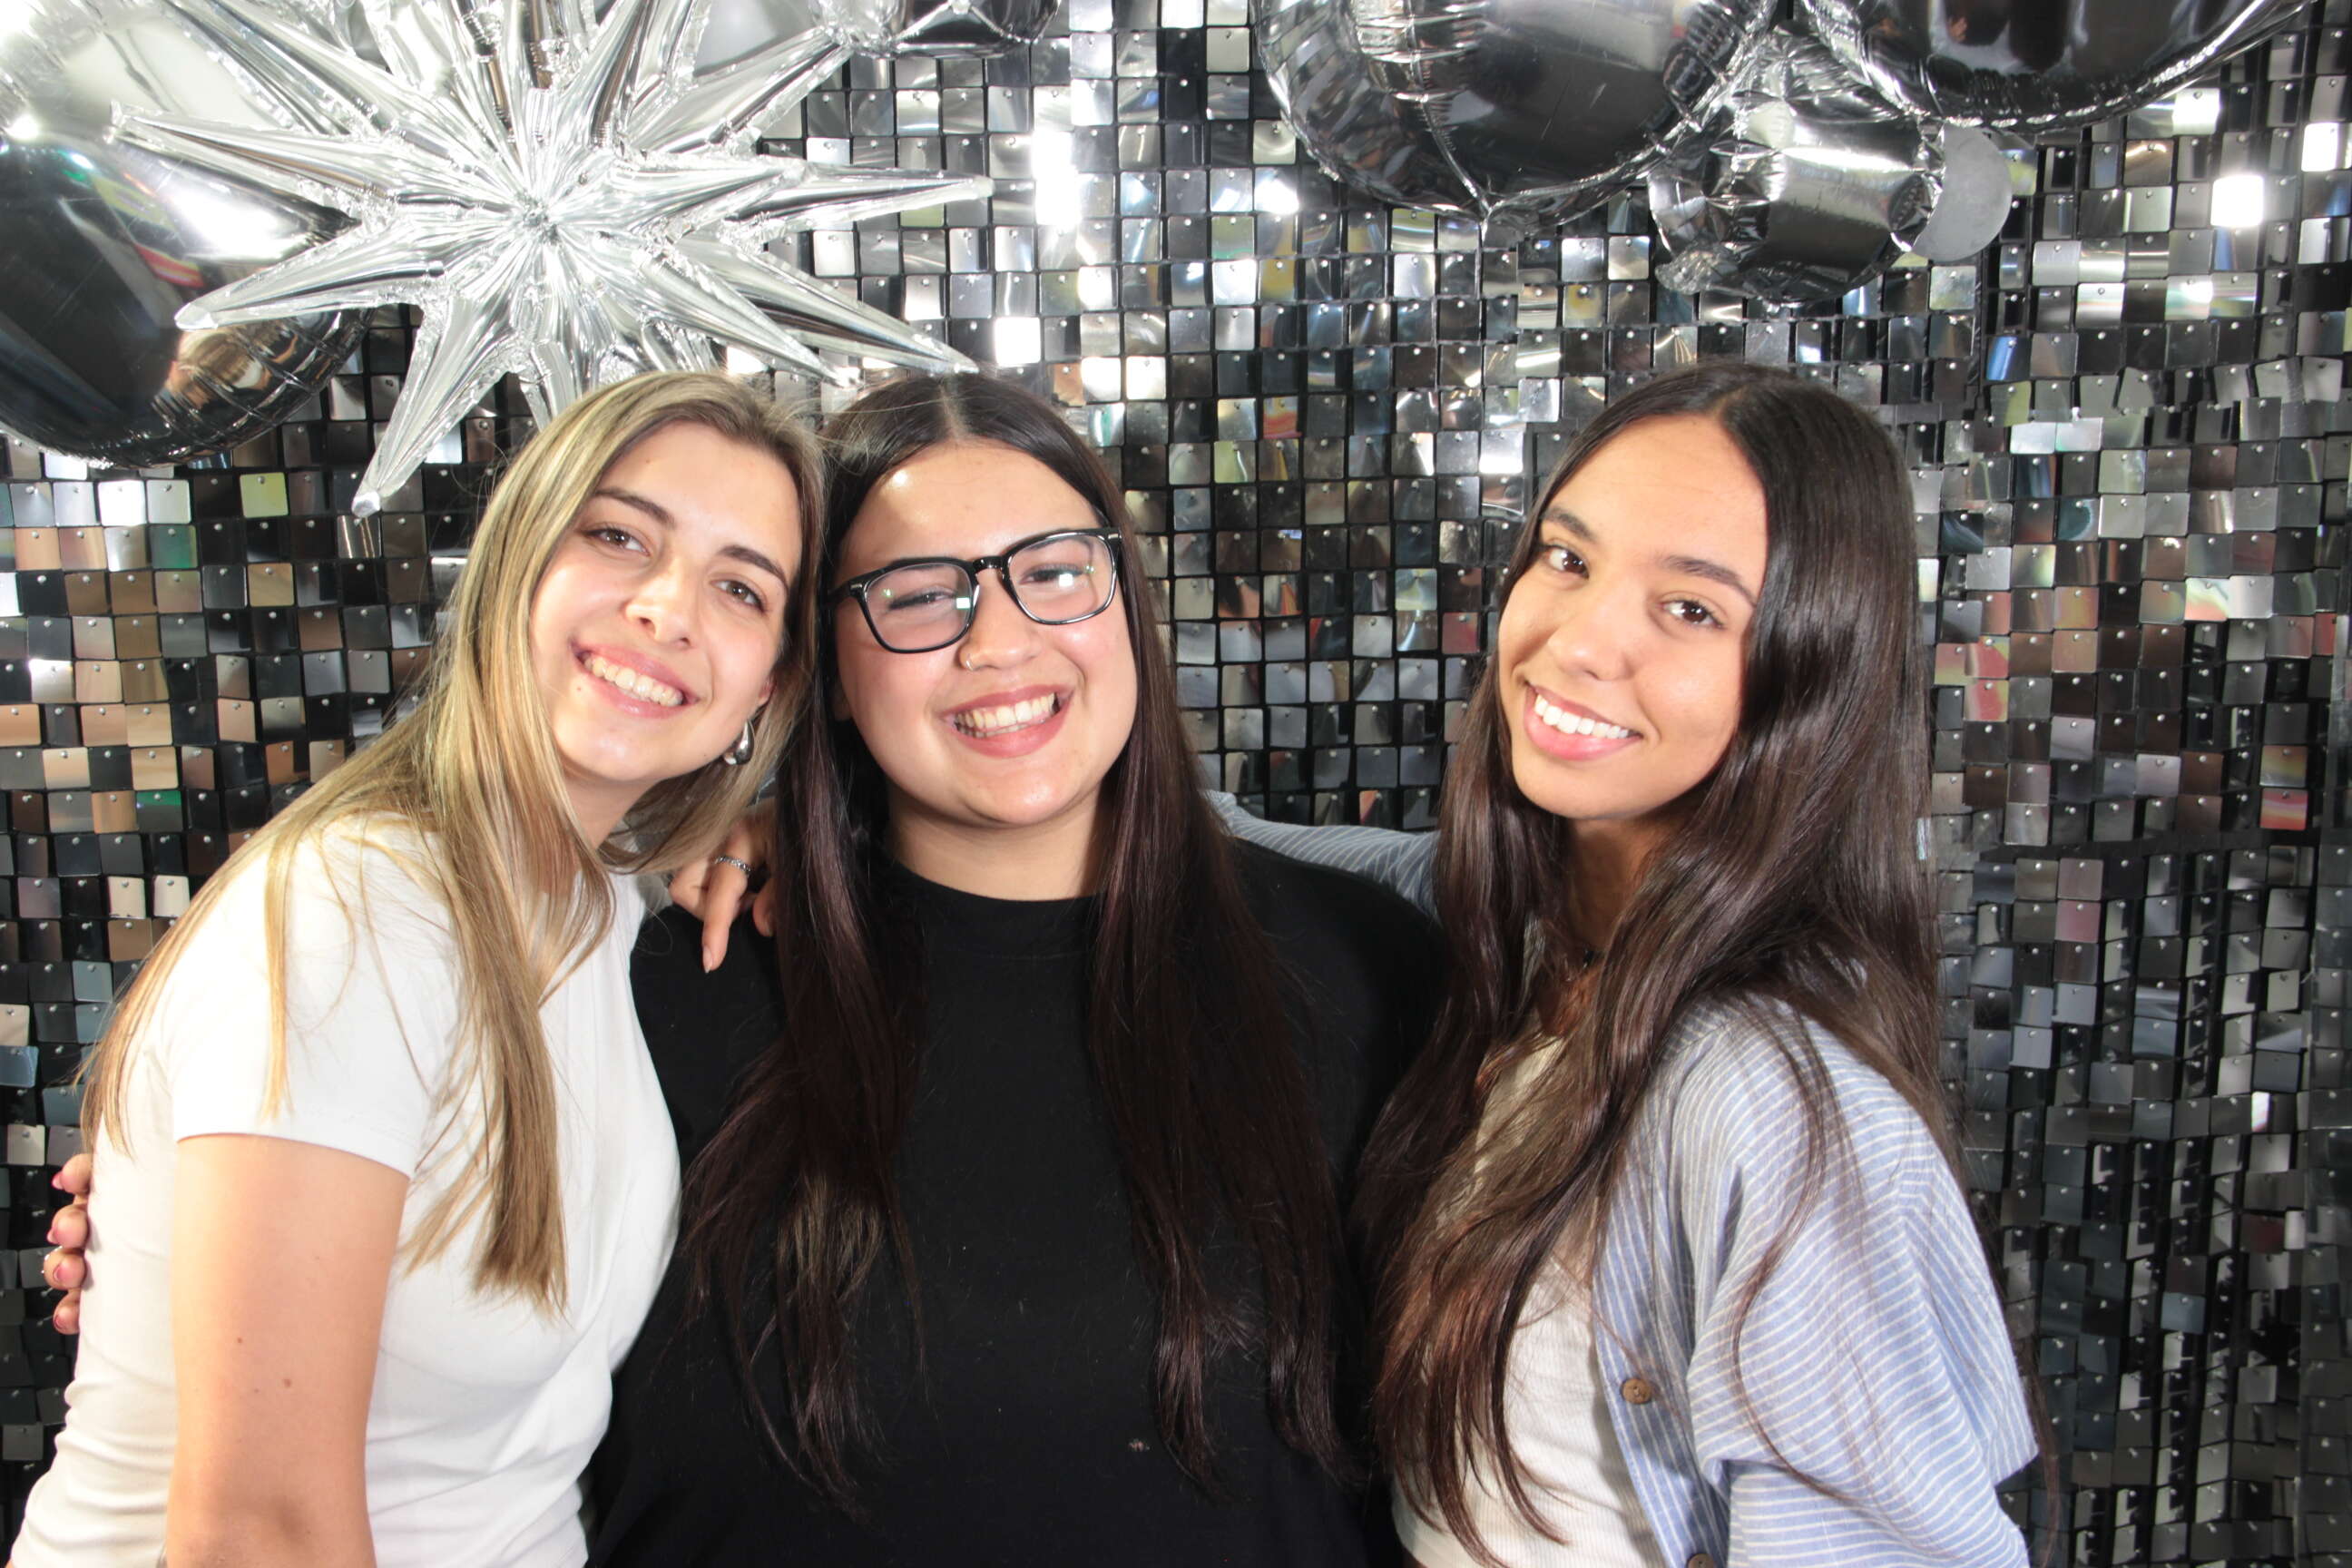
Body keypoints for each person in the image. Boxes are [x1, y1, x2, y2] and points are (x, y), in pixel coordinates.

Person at [686, 360, 2040, 1566]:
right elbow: (1167, 826)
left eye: (1690, 608)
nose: (1581, 639)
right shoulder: (1494, 942)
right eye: (1566, 559)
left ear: (1814, 666)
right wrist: (795, 806)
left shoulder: (1768, 1097)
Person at [587, 370, 1440, 1566]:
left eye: (1053, 571)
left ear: (1126, 601)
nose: (998, 640)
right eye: (915, 595)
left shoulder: (1373, 971)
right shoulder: (662, 987)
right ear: (825, 668)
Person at [13, 369, 821, 1568]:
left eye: (740, 586)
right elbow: (257, 1535)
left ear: (768, 684)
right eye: (617, 536)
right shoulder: (360, 911)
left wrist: (764, 831)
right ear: (513, 564)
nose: (668, 608)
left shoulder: (608, 909)